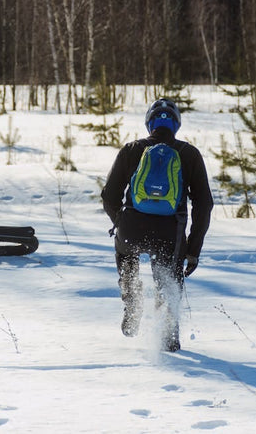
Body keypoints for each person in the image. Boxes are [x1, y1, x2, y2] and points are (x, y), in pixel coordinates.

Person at [101, 98, 213, 352]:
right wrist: (193, 249)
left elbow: (109, 196)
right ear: (176, 125)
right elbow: (204, 205)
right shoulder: (189, 154)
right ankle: (167, 339)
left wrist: (120, 222)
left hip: (131, 228)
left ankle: (131, 300)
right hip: (169, 233)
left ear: (149, 123)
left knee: (126, 254)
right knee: (168, 283)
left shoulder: (132, 149)